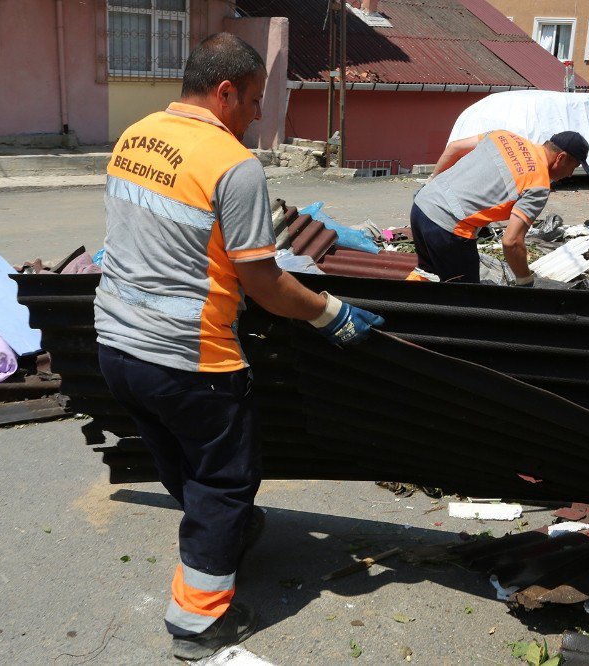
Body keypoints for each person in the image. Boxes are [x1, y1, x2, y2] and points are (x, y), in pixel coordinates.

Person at [93, 33, 383, 661]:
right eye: (253, 100)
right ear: (224, 91)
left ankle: (223, 536)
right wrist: (333, 314)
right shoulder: (233, 164)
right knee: (226, 481)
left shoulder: (136, 135)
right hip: (190, 359)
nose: (257, 114)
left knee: (178, 457)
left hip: (116, 345)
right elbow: (265, 283)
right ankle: (197, 622)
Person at [411, 131, 589, 286]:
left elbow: (454, 147)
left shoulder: (503, 136)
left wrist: (432, 181)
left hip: (421, 206)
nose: (570, 174)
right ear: (561, 157)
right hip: (447, 228)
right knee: (465, 300)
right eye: (573, 167)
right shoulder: (538, 185)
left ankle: (400, 312)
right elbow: (511, 242)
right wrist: (524, 281)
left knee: (427, 273)